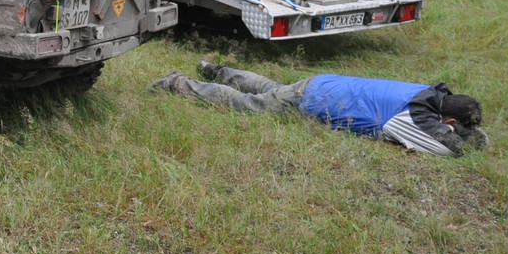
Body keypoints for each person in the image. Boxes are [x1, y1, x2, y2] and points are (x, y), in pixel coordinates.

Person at [149, 62, 489, 157]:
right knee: (248, 105)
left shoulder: (429, 93)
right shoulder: (414, 117)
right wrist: (460, 135)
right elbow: (451, 149)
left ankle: (217, 69)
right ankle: (178, 83)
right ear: (448, 119)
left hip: (325, 85)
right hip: (316, 101)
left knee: (270, 89)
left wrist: (459, 127)